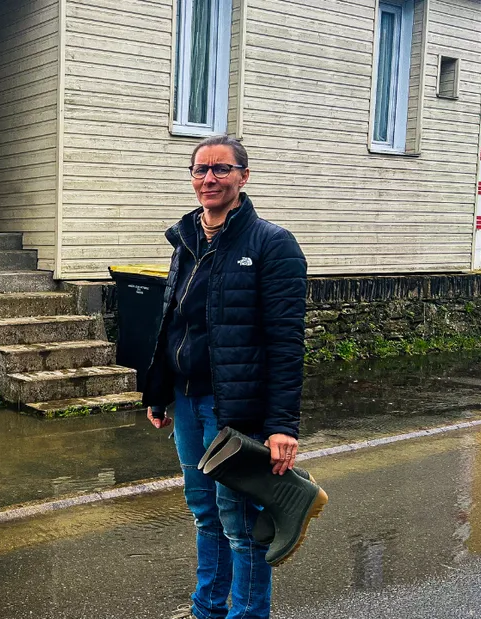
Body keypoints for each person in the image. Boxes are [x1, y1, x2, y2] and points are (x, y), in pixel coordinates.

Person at [142, 135, 307, 619]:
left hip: (235, 406)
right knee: (204, 512)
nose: (209, 178)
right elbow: (173, 322)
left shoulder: (271, 244)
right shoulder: (186, 239)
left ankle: (247, 614)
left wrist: (282, 425)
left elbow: (285, 343)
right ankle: (207, 610)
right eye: (201, 169)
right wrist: (159, 392)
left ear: (243, 177)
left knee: (238, 518)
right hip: (187, 399)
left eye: (221, 169)